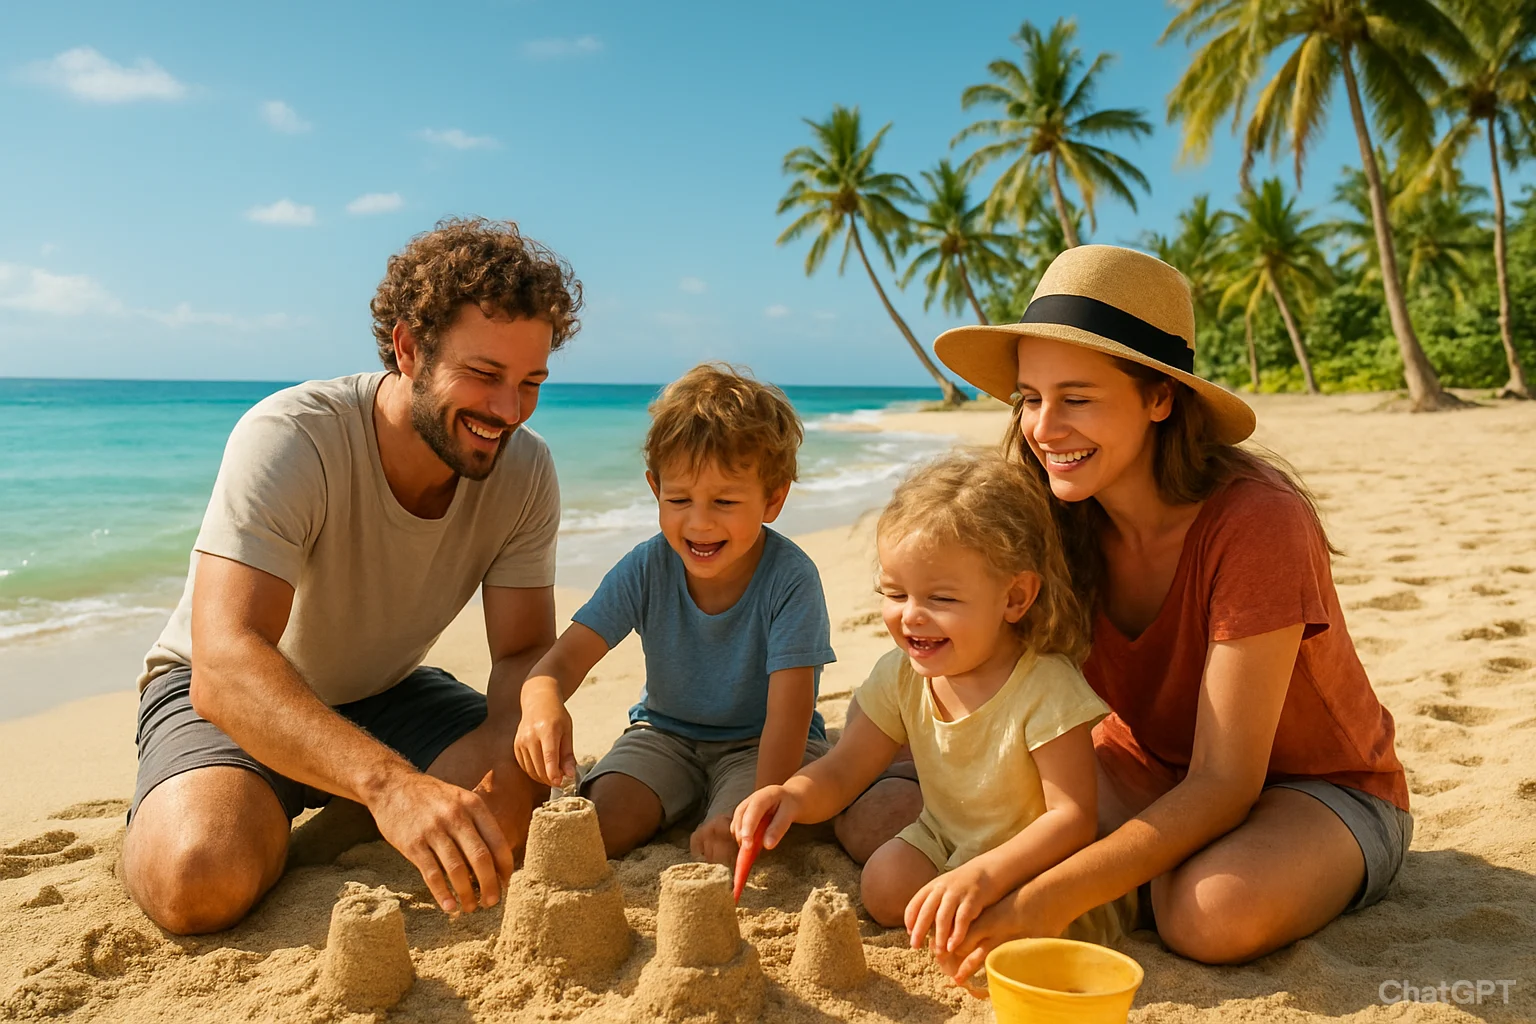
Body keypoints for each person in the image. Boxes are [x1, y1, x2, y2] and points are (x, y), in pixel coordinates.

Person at [846, 244, 1412, 982]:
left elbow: (1225, 781)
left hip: (1311, 789)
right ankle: (1129, 871)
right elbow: (982, 662)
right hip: (1141, 769)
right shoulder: (1050, 516)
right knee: (876, 824)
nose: (1045, 428)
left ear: (1159, 398)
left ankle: (1135, 879)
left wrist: (1042, 899)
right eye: (1030, 398)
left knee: (1208, 915)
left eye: (1077, 397)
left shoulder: (1258, 522)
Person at [124, 217, 582, 934]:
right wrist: (390, 785)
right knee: (200, 878)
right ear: (408, 349)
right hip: (231, 697)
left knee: (511, 813)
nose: (508, 411)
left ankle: (333, 817)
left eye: (530, 383)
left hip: (389, 694)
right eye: (485, 375)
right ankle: (237, 804)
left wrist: (528, 727)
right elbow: (225, 659)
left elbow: (522, 655)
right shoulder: (293, 436)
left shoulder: (526, 470)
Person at [734, 451, 1113, 962]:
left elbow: (1071, 819)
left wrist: (985, 873)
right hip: (945, 837)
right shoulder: (901, 675)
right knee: (884, 888)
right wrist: (793, 795)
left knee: (1000, 928)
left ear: (1015, 597)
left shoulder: (1045, 687)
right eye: (894, 592)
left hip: (1029, 860)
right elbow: (845, 768)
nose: (911, 617)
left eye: (942, 599)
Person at [515, 363, 835, 865]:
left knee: (733, 839)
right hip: (663, 734)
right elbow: (560, 664)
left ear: (773, 500)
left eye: (725, 501)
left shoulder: (790, 578)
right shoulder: (647, 567)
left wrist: (754, 807)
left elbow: (789, 718)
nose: (699, 522)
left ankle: (724, 807)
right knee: (601, 828)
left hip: (762, 743)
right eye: (679, 499)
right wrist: (542, 702)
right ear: (653, 489)